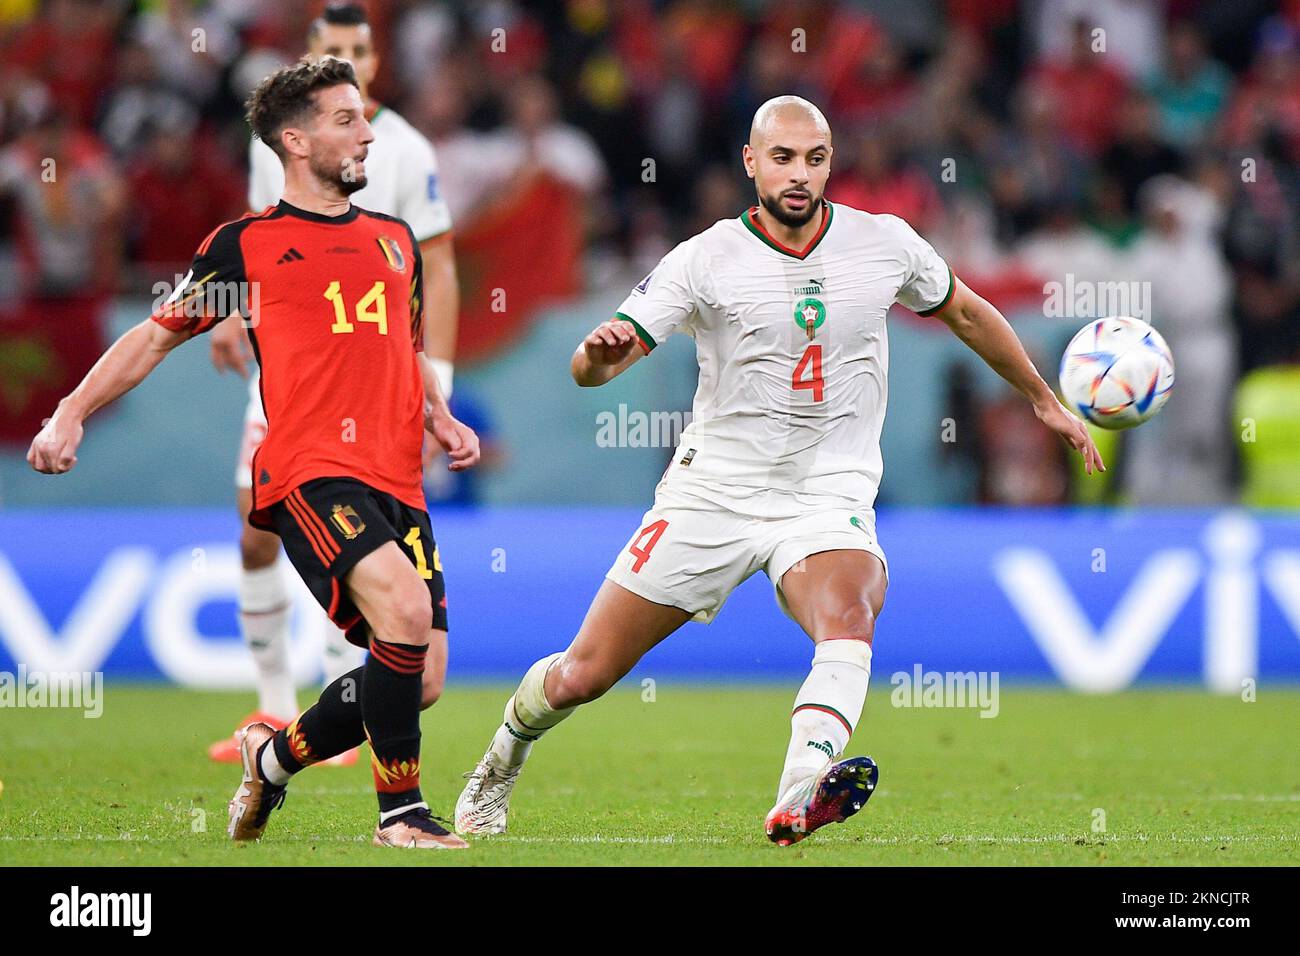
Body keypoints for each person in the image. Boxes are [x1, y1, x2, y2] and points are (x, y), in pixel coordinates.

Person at [454, 95, 1103, 846]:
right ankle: (500, 761)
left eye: (816, 158)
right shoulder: (704, 257)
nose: (800, 175)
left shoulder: (884, 243)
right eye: (784, 158)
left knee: (851, 615)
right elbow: (599, 362)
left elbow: (966, 311)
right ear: (752, 163)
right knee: (583, 674)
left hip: (828, 494)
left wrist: (1043, 399)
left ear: (831, 164)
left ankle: (801, 788)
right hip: (714, 493)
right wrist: (595, 360)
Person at [28, 57, 479, 850]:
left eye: (365, 116)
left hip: (397, 475)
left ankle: (271, 762)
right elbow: (151, 339)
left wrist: (439, 415)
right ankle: (401, 816)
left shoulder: (394, 241)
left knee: (420, 676)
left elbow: (398, 346)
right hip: (308, 469)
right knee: (403, 616)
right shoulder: (249, 248)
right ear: (296, 140)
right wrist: (70, 411)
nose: (368, 132)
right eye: (347, 120)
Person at [205, 1, 460, 766]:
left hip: (374, 371)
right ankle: (279, 704)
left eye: (361, 48)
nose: (351, 58)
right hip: (291, 360)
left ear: (378, 60)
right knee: (258, 518)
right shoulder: (291, 132)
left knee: (390, 603)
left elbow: (434, 269)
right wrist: (221, 308)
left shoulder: (404, 152)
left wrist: (433, 390)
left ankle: (312, 716)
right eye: (334, 46)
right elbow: (260, 231)